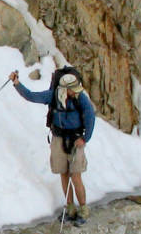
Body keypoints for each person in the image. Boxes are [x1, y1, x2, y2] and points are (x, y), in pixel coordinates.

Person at [10, 67, 96, 224]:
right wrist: (16, 83)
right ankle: (70, 208)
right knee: (63, 173)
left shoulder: (81, 98)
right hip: (58, 139)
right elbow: (31, 96)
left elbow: (91, 117)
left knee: (75, 176)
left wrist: (85, 138)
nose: (76, 92)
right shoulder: (53, 96)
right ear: (65, 88)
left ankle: (83, 209)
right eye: (73, 90)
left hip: (76, 140)